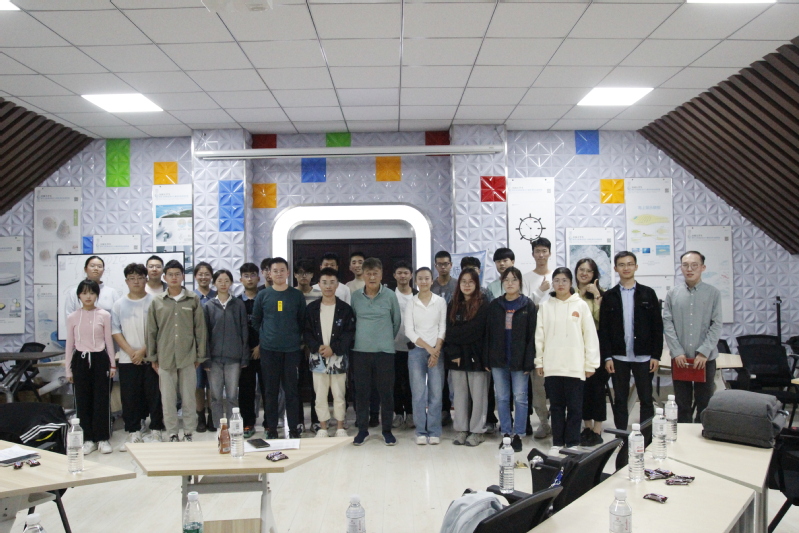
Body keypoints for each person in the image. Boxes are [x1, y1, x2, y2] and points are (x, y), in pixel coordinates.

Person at [535, 267, 600, 453]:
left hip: (575, 366)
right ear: (552, 284)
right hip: (552, 365)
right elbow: (539, 336)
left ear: (571, 283)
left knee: (575, 408)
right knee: (556, 407)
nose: (560, 284)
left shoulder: (581, 305)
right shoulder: (546, 307)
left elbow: (590, 336)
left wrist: (591, 364)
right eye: (556, 280)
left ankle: (572, 443)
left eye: (564, 280)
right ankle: (557, 443)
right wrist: (539, 361)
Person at [600, 251, 663, 439]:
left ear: (636, 266)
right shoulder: (609, 296)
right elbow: (604, 330)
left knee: (646, 399)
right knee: (620, 399)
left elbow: (657, 327)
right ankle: (621, 437)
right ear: (615, 268)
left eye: (629, 264)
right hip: (618, 356)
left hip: (644, 356)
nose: (626, 268)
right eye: (621, 264)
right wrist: (607, 357)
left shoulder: (648, 293)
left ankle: (646, 437)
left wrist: (656, 355)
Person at [146, 260, 207, 442]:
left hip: (188, 357)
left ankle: (188, 432)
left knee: (189, 398)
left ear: (183, 277)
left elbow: (200, 329)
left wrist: (200, 355)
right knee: (168, 399)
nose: (174, 278)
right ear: (164, 277)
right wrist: (153, 357)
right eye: (170, 275)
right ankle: (172, 433)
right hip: (165, 357)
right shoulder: (157, 301)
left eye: (177, 274)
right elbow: (151, 331)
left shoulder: (192, 299)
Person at [663, 251, 723, 423]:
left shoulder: (713, 293)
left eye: (694, 265)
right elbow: (667, 323)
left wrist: (704, 352)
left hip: (704, 359)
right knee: (682, 404)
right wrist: (677, 351)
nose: (689, 269)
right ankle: (683, 435)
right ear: (681, 268)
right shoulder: (672, 293)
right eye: (685, 265)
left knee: (704, 402)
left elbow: (716, 324)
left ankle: (702, 434)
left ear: (703, 267)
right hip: (680, 358)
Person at [252, 257, 307, 439]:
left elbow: (302, 320)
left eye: (282, 270)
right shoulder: (263, 295)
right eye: (275, 271)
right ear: (269, 273)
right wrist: (265, 337)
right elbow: (256, 321)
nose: (278, 273)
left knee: (291, 391)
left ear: (288, 272)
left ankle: (293, 428)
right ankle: (272, 429)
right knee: (270, 391)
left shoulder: (296, 295)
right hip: (269, 350)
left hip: (291, 350)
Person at [112, 263, 164, 451]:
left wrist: (143, 351)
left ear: (146, 279)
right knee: (130, 397)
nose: (136, 281)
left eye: (140, 278)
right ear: (126, 281)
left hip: (151, 358)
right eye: (132, 278)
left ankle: (156, 429)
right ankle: (133, 431)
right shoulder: (119, 304)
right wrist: (131, 352)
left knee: (155, 395)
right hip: (128, 359)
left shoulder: (155, 301)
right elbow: (115, 331)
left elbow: (160, 330)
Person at [350, 257, 402, 446]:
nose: (372, 277)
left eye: (375, 273)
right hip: (360, 352)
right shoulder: (355, 296)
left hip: (384, 352)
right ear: (363, 275)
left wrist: (384, 339)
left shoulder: (390, 295)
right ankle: (362, 430)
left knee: (386, 393)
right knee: (362, 393)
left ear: (381, 275)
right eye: (368, 273)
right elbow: (353, 321)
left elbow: (396, 322)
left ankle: (387, 430)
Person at [485, 267, 536, 453]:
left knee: (521, 398)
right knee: (502, 398)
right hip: (499, 359)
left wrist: (529, 361)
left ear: (520, 282)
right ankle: (506, 433)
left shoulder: (527, 305)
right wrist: (487, 358)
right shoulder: (495, 305)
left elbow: (532, 336)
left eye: (514, 279)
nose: (510, 283)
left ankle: (518, 435)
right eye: (506, 280)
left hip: (520, 361)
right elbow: (488, 334)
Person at [65, 279, 116, 455]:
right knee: (82, 400)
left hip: (100, 359)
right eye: (84, 293)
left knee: (101, 400)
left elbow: (108, 341)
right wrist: (68, 369)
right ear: (79, 295)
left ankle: (102, 438)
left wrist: (112, 364)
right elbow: (69, 345)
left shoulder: (104, 315)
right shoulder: (72, 317)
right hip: (80, 359)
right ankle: (87, 439)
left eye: (92, 293)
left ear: (97, 295)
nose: (88, 296)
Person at [303, 267, 356, 438]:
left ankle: (340, 426)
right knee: (320, 394)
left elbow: (349, 333)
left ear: (337, 285)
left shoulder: (345, 309)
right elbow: (306, 332)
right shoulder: (311, 308)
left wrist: (334, 348)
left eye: (332, 282)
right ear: (319, 284)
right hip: (317, 357)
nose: (328, 286)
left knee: (339, 393)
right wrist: (317, 347)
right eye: (324, 282)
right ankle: (323, 427)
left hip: (338, 358)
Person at [445, 268, 489, 447]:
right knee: (460, 395)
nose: (467, 285)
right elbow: (449, 332)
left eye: (471, 281)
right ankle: (462, 429)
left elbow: (477, 331)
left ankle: (477, 431)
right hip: (457, 356)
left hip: (477, 356)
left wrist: (459, 332)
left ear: (477, 284)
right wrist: (454, 352)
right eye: (463, 281)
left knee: (479, 396)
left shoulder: (484, 304)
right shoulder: (453, 304)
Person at [404, 267, 447, 445]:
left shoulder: (440, 302)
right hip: (417, 352)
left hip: (437, 351)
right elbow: (409, 331)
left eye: (427, 278)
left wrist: (436, 351)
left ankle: (434, 431)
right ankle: (421, 431)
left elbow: (442, 328)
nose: (423, 282)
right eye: (420, 278)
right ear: (415, 281)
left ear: (432, 280)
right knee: (418, 393)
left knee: (436, 393)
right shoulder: (411, 303)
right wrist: (430, 349)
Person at [203, 269, 249, 428]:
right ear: (214, 283)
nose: (223, 284)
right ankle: (219, 428)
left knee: (232, 396)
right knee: (215, 396)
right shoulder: (208, 306)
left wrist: (244, 356)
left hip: (234, 359)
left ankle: (233, 427)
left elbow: (244, 330)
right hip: (214, 359)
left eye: (226, 281)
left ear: (231, 283)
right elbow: (205, 334)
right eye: (220, 281)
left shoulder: (238, 304)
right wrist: (206, 358)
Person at [574, 258, 608, 446]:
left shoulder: (602, 294)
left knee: (597, 388)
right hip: (575, 348)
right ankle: (586, 427)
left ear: (594, 274)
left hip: (595, 347)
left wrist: (596, 296)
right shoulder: (570, 293)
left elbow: (603, 321)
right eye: (581, 269)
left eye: (589, 271)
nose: (584, 273)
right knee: (582, 389)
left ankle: (597, 429)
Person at [522, 237, 553, 440]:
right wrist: (540, 291)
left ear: (549, 253)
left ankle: (558, 420)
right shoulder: (526, 278)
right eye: (537, 251)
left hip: (556, 337)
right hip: (535, 337)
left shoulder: (557, 275)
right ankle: (543, 422)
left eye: (544, 251)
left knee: (557, 382)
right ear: (533, 254)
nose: (541, 255)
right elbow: (524, 305)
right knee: (538, 384)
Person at [238, 263, 266, 438]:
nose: (250, 279)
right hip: (244, 353)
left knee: (267, 388)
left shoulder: (265, 298)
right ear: (241, 279)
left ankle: (270, 423)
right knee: (246, 390)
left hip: (265, 350)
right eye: (246, 275)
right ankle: (248, 423)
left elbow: (271, 323)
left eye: (253, 275)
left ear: (258, 277)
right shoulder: (236, 302)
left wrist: (261, 345)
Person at [295, 258, 321, 433]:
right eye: (300, 273)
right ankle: (298, 421)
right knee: (295, 385)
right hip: (294, 348)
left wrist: (311, 344)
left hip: (315, 347)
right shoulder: (289, 295)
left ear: (312, 275)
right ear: (295, 275)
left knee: (316, 386)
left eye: (307, 273)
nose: (304, 276)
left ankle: (316, 420)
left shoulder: (319, 295)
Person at [192, 261, 216, 433]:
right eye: (200, 274)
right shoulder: (191, 297)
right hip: (196, 348)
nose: (203, 277)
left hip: (215, 347)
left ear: (211, 277)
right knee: (198, 385)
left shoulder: (218, 295)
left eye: (207, 274)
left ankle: (212, 416)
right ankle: (200, 417)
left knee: (213, 385)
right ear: (195, 277)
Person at [392, 260, 415, 429]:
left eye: (406, 273)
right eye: (399, 273)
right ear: (394, 275)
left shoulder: (418, 295)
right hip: (393, 346)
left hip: (413, 347)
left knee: (411, 382)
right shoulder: (389, 295)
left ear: (411, 275)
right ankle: (398, 413)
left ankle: (412, 413)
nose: (402, 276)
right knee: (395, 382)